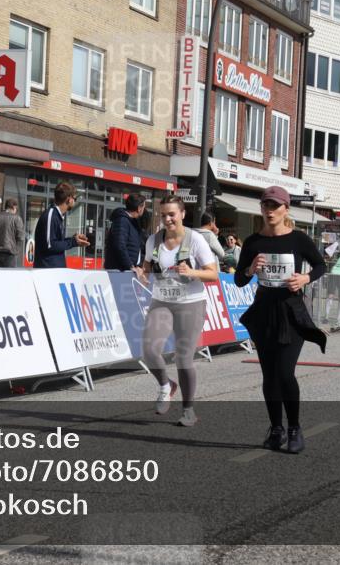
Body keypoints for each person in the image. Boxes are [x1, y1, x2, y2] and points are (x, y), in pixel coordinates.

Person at [236, 186, 326, 454]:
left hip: (291, 312)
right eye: (266, 205)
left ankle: (294, 428)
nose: (270, 210)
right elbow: (239, 279)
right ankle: (276, 428)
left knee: (285, 373)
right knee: (269, 375)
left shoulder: (298, 239)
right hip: (264, 312)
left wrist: (305, 278)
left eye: (275, 206)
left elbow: (321, 265)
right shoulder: (253, 242)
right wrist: (250, 269)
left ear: (286, 209)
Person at [138, 195, 219, 427]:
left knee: (183, 358)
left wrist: (192, 272)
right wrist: (142, 273)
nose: (168, 219)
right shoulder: (153, 240)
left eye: (172, 214)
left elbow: (213, 274)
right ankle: (166, 385)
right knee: (149, 350)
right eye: (163, 215)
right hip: (162, 300)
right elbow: (147, 266)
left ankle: (188, 410)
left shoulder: (195, 240)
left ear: (182, 214)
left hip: (191, 302)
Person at [33, 182, 90, 268]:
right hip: (48, 270)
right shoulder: (51, 215)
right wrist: (73, 242)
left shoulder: (57, 215)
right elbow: (50, 245)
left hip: (55, 270)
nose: (75, 201)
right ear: (69, 199)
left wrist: (74, 240)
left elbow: (56, 242)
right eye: (75, 199)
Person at [104, 192, 146, 274]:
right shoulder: (122, 221)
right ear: (139, 208)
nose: (144, 210)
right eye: (144, 207)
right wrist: (130, 266)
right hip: (119, 271)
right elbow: (120, 245)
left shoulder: (132, 221)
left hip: (126, 270)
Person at [0, 198, 26, 268]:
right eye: (16, 209)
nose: (16, 211)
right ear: (14, 207)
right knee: (9, 274)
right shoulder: (17, 219)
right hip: (9, 253)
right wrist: (16, 251)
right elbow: (21, 237)